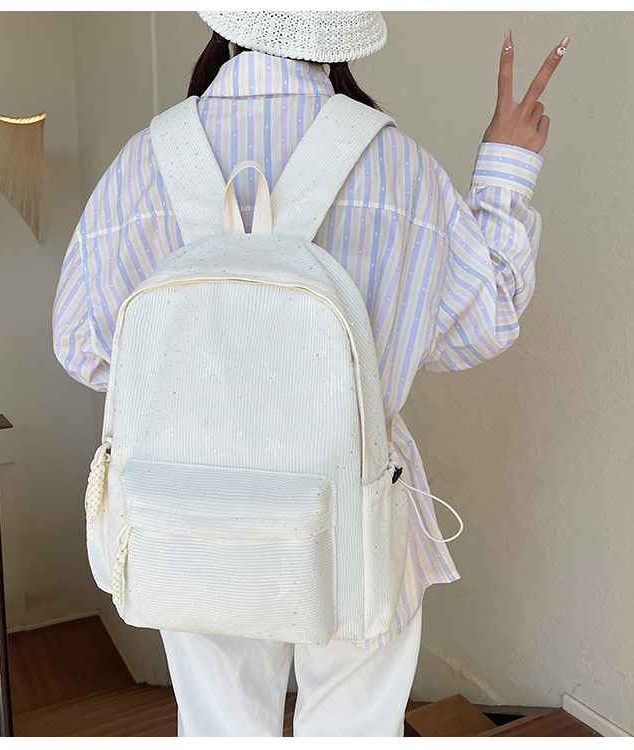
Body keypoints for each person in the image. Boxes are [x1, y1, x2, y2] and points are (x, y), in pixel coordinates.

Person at [53, 11, 567, 737]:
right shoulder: (395, 164)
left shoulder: (143, 165)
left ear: (228, 25)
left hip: (185, 509)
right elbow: (482, 322)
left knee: (221, 731)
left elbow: (80, 345)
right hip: (352, 505)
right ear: (339, 37)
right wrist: (505, 171)